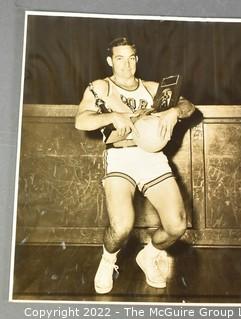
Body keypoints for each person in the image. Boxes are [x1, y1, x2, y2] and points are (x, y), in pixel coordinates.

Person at [75, 37, 195, 294]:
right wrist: (112, 116)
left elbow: (189, 105)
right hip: (121, 157)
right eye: (120, 58)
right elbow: (81, 121)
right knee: (121, 227)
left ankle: (149, 254)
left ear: (136, 60)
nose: (126, 64)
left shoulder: (153, 88)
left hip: (152, 158)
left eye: (131, 58)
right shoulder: (101, 87)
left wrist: (175, 112)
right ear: (110, 61)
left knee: (176, 225)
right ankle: (108, 261)